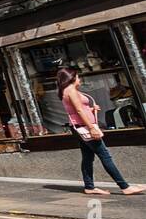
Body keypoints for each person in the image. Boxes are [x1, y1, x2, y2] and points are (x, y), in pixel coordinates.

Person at [58, 67, 145, 196]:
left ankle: (89, 187)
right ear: (72, 77)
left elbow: (79, 109)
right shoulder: (71, 91)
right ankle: (124, 186)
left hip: (78, 126)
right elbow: (79, 111)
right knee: (105, 155)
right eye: (78, 76)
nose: (79, 79)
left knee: (88, 157)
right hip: (85, 127)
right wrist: (92, 127)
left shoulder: (66, 91)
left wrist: (91, 109)